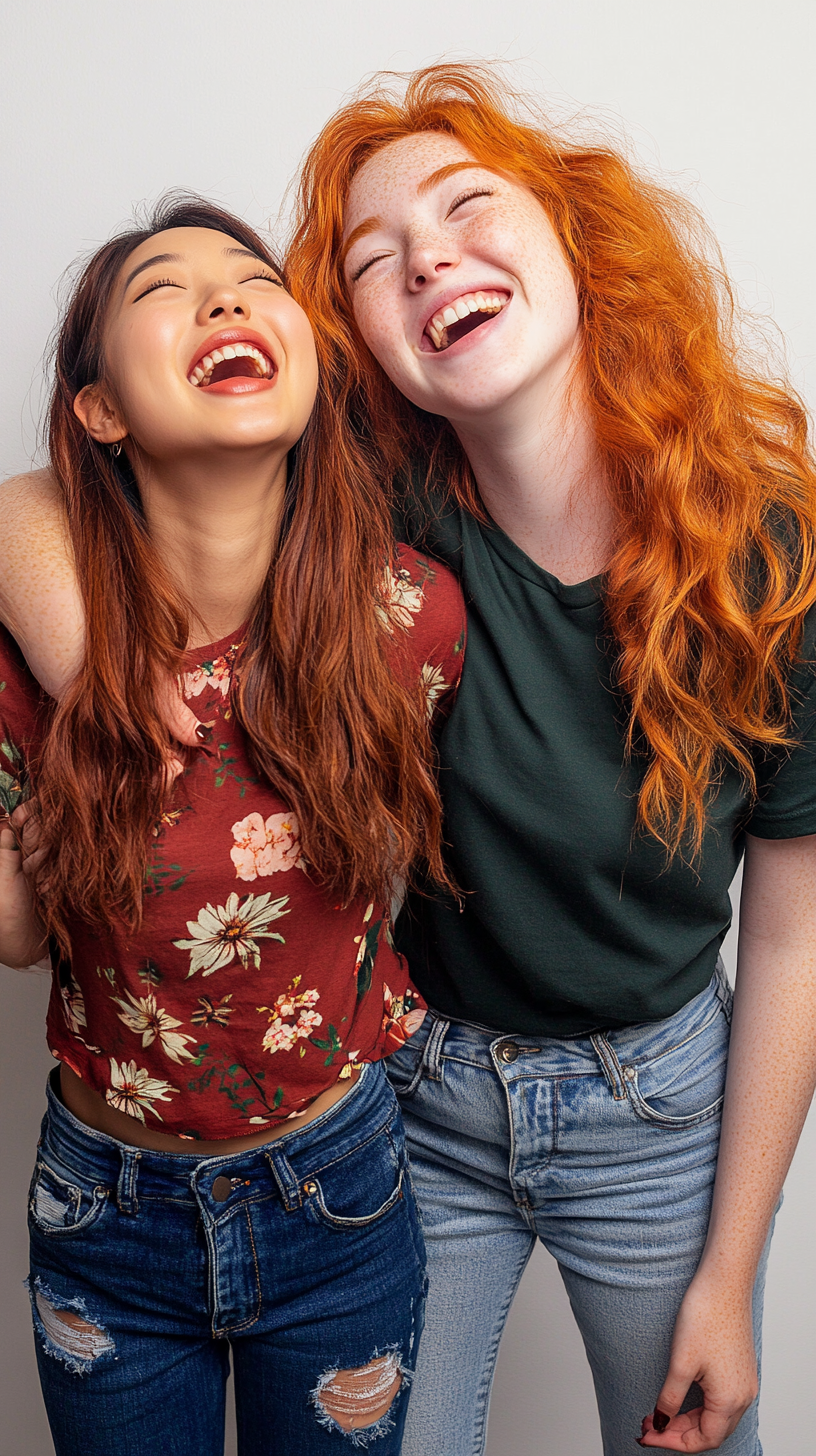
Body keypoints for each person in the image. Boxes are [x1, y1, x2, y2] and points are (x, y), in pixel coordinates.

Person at [3, 64, 816, 1456]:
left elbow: (796, 942)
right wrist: (97, 678)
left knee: (697, 1433)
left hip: (658, 1106)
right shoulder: (368, 522)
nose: (430, 256)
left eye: (467, 209)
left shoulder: (763, 552)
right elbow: (42, 502)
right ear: (363, 347)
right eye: (376, 262)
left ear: (575, 243)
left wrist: (733, 1280)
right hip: (415, 1095)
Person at [0, 193, 465, 1456]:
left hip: (342, 1203)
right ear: (100, 411)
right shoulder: (33, 649)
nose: (222, 296)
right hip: (106, 1215)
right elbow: (18, 935)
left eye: (250, 278)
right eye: (163, 288)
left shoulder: (412, 619)